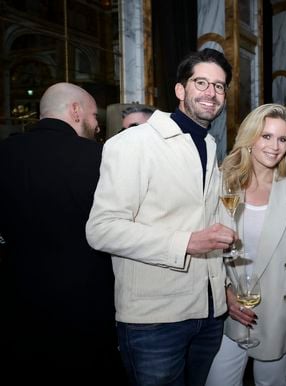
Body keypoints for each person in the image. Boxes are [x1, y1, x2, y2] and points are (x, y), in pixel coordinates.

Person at [86, 48, 236, 386]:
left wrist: (223, 288)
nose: (211, 93)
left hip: (208, 315)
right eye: (202, 82)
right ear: (180, 90)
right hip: (155, 320)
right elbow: (101, 229)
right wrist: (186, 242)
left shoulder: (210, 145)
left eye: (220, 86)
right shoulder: (134, 143)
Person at [0, 82, 124, 384]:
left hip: (15, 301)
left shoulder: (4, 153)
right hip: (87, 304)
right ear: (76, 111)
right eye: (95, 117)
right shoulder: (99, 158)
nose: (97, 126)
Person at [205, 104, 286, 386]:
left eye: (282, 139)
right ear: (250, 138)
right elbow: (207, 249)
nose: (275, 146)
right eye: (266, 136)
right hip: (228, 312)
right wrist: (224, 294)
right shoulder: (221, 185)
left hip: (276, 315)